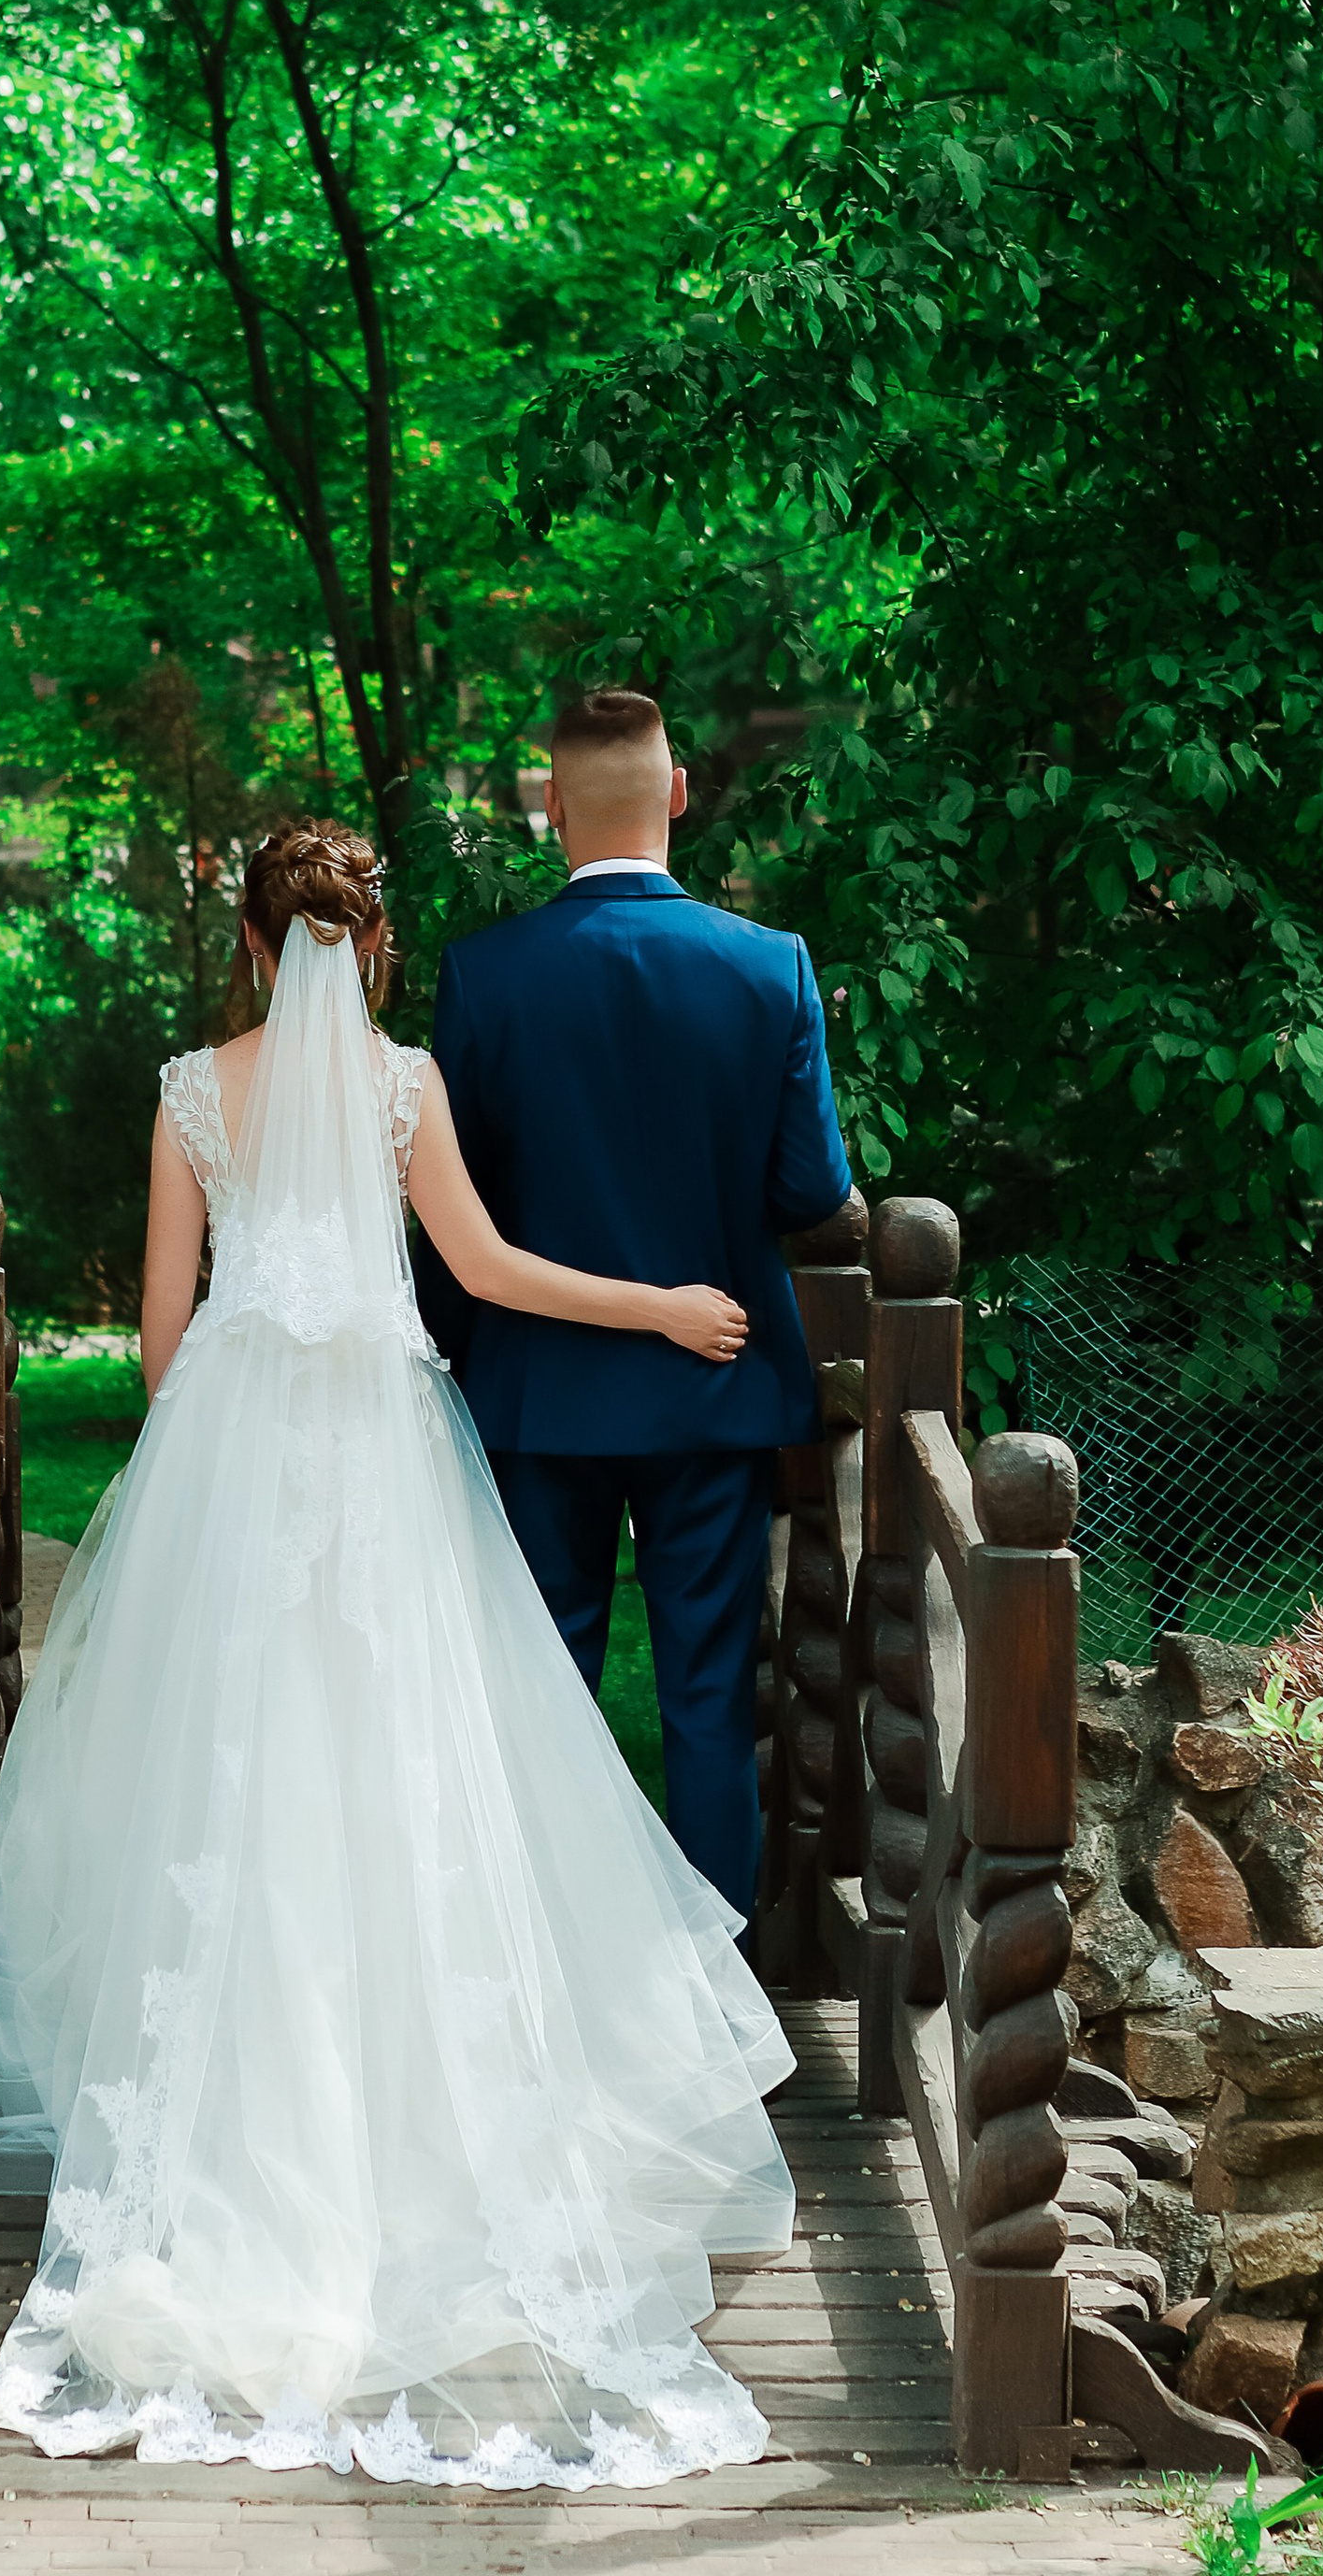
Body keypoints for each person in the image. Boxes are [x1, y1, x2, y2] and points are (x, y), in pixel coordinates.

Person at [0, 821, 797, 2489]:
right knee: (412, 1769)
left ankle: (220, 2161)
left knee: (233, 1780)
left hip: (239, 1450)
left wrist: (194, 1480)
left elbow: (157, 1335)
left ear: (258, 944)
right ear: (371, 946)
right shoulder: (405, 1085)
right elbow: (484, 1274)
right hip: (386, 1461)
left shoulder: (194, 1087)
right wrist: (666, 1308)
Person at [421, 689, 866, 1924]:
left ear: (548, 806)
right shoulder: (766, 967)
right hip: (713, 1388)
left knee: (543, 1695)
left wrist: (456, 1364)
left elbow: (452, 1205)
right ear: (676, 795)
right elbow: (811, 1189)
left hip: (537, 1390)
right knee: (712, 1704)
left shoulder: (484, 977)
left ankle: (550, 1982)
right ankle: (720, 2000)